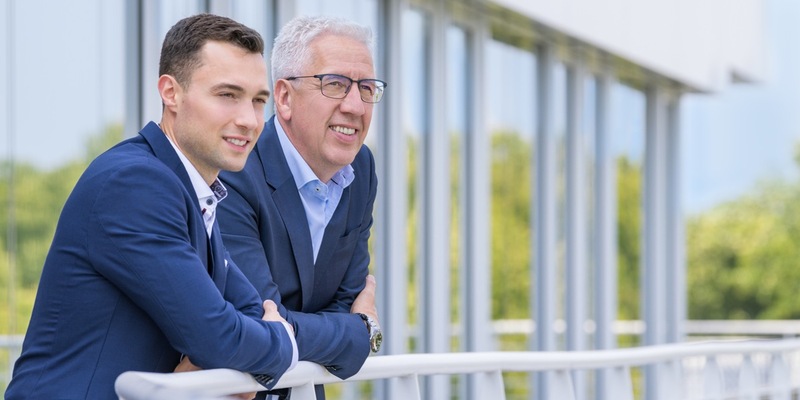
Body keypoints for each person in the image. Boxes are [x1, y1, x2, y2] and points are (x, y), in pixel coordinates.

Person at [5, 13, 298, 400]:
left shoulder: (191, 189)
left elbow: (248, 310)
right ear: (170, 92)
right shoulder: (135, 184)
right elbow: (219, 337)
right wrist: (282, 342)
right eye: (227, 95)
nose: (249, 120)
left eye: (258, 101)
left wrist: (236, 358)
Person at [217, 15, 385, 399]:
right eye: (335, 84)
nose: (356, 106)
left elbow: (346, 299)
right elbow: (256, 322)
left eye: (366, 88)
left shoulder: (361, 167)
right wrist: (360, 332)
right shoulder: (236, 168)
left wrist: (332, 327)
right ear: (284, 97)